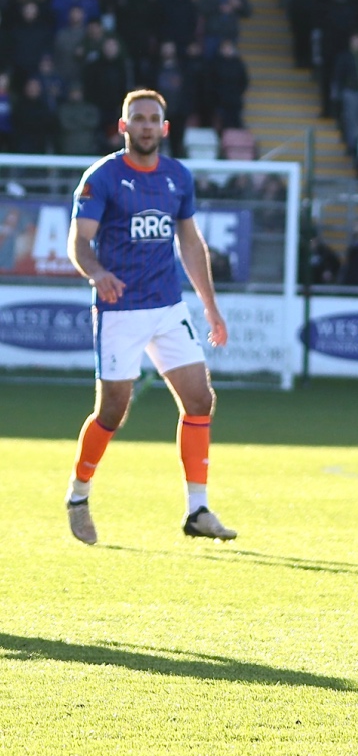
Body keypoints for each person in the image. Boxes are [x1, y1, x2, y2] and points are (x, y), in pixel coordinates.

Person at [64, 90, 236, 546]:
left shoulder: (178, 177)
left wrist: (211, 307)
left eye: (152, 119)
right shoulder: (101, 178)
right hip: (120, 309)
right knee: (113, 413)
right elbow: (79, 242)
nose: (144, 126)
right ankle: (79, 494)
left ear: (165, 128)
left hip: (166, 307)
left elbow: (191, 243)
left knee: (199, 400)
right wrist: (97, 272)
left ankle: (197, 509)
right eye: (136, 118)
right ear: (123, 127)